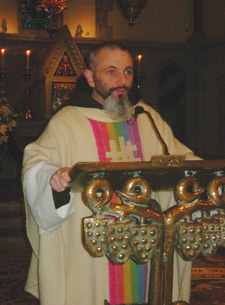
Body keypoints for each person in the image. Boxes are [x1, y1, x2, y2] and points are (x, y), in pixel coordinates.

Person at [22, 42, 199, 305]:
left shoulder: (147, 117)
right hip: (91, 252)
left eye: (128, 72)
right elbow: (37, 162)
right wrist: (52, 177)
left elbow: (182, 159)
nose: (122, 81)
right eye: (112, 72)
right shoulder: (67, 121)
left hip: (146, 244)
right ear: (91, 77)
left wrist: (204, 178)